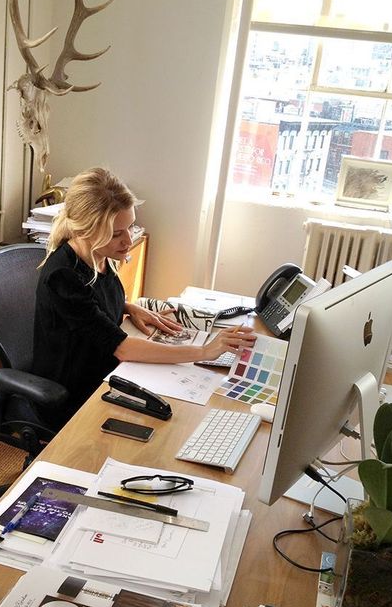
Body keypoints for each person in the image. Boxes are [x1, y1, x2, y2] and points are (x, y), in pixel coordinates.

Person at [32, 167, 256, 427]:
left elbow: (87, 309)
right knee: (172, 423)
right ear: (84, 230)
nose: (128, 240)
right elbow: (123, 347)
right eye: (117, 233)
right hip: (74, 393)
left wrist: (128, 307)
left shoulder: (100, 256)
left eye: (130, 227)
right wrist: (205, 351)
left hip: (107, 370)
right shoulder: (64, 275)